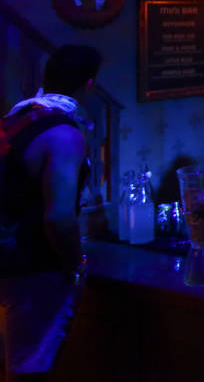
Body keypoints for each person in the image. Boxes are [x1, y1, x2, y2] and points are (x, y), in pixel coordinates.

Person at [0, 44, 101, 379]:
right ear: (89, 84)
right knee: (32, 365)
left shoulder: (16, 117)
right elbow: (58, 216)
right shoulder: (64, 135)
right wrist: (76, 264)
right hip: (32, 267)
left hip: (6, 256)